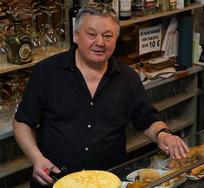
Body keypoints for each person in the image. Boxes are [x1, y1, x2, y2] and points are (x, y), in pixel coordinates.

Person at [13, 2, 189, 187]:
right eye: (91, 34)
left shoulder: (127, 77)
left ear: (115, 39)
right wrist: (36, 158)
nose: (100, 42)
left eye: (107, 36)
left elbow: (147, 119)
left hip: (109, 181)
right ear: (76, 35)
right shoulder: (47, 72)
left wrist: (163, 135)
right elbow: (22, 122)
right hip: (55, 180)